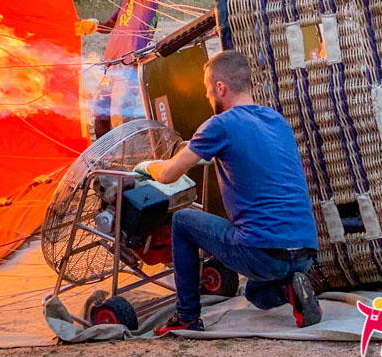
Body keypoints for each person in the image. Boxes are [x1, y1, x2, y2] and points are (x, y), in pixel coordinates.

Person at [133, 50, 322, 332]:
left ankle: (187, 317)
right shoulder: (276, 121)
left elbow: (170, 174)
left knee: (183, 221)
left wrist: (147, 165)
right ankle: (290, 290)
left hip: (263, 252)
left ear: (220, 88)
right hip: (305, 253)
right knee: (255, 293)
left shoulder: (219, 125)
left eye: (208, 90)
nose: (209, 97)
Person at [63, 0, 163, 137]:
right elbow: (109, 25)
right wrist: (90, 25)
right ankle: (106, 158)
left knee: (119, 116)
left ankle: (125, 161)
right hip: (111, 66)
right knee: (100, 113)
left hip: (128, 65)